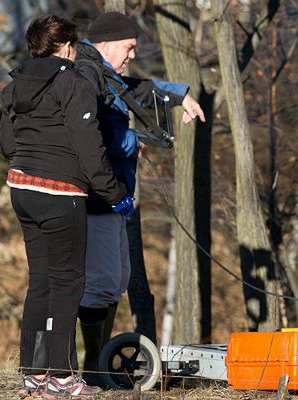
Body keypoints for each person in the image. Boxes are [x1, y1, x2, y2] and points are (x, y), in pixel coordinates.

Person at [0, 15, 134, 398]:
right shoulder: (74, 82)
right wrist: (115, 195)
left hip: (22, 189)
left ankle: (34, 375)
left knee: (40, 280)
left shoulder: (13, 86)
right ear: (69, 46)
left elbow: (8, 147)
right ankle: (61, 377)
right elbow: (90, 151)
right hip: (61, 193)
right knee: (68, 282)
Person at [72, 11, 205, 383]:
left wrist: (182, 94)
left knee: (118, 279)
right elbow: (88, 137)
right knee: (100, 281)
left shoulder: (104, 73)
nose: (132, 55)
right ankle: (90, 371)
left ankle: (96, 366)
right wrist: (134, 142)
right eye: (128, 48)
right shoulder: (87, 75)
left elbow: (134, 89)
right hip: (97, 197)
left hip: (114, 196)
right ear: (106, 44)